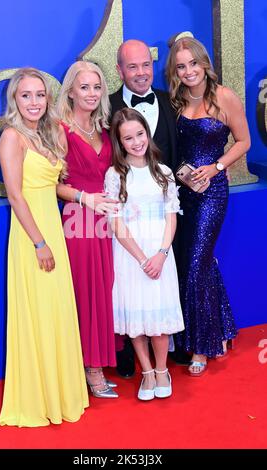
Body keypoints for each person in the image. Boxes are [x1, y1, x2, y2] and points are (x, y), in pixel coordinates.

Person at [0, 67, 89, 427]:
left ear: (47, 98)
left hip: (52, 227)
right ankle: (39, 398)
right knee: (38, 312)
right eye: (25, 95)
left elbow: (53, 186)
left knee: (56, 311)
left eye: (39, 95)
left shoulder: (45, 135)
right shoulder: (11, 137)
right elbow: (16, 195)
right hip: (31, 234)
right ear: (14, 100)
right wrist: (39, 243)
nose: (33, 102)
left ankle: (61, 393)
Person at [165, 33, 251, 376]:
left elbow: (243, 141)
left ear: (204, 64)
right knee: (194, 263)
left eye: (193, 64)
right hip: (182, 193)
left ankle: (201, 346)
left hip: (212, 192)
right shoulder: (175, 100)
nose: (188, 72)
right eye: (181, 66)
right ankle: (223, 329)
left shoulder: (225, 97)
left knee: (197, 264)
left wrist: (217, 167)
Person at [110, 39, 190, 376]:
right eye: (133, 66)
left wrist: (201, 172)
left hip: (165, 212)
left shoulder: (169, 100)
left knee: (169, 281)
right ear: (120, 70)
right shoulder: (106, 104)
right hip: (127, 218)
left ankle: (173, 349)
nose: (142, 73)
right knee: (129, 287)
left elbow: (183, 147)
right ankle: (131, 354)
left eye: (146, 65)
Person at [105, 108, 184, 400]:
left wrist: (161, 254)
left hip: (160, 252)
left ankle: (162, 370)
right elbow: (116, 223)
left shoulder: (163, 172)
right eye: (128, 138)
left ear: (147, 133)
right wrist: (141, 259)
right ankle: (147, 372)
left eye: (139, 134)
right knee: (136, 318)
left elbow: (171, 217)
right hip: (130, 255)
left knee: (159, 318)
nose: (136, 142)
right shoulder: (115, 175)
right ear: (120, 142)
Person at [56, 61, 118, 398]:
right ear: (71, 91)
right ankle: (90, 371)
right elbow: (52, 184)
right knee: (85, 294)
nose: (92, 93)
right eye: (84, 87)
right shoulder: (59, 130)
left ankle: (94, 363)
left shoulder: (102, 128)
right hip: (77, 221)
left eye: (97, 87)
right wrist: (85, 199)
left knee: (103, 291)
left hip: (105, 223)